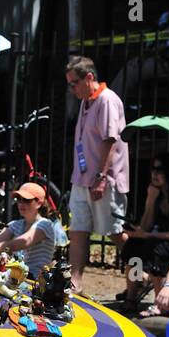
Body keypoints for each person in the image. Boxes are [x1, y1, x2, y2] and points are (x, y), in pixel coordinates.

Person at [66, 56, 129, 293]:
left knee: (114, 233)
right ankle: (75, 283)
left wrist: (101, 177)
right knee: (78, 230)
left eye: (74, 83)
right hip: (81, 178)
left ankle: (144, 272)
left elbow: (110, 139)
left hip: (103, 180)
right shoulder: (86, 101)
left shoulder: (108, 100)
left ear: (89, 77)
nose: (72, 89)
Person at [118, 152, 169, 311]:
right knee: (133, 248)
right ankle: (132, 295)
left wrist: (148, 235)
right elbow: (146, 226)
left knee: (155, 250)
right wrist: (150, 200)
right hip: (159, 237)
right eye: (152, 169)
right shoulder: (158, 193)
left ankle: (160, 304)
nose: (154, 174)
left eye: (160, 170)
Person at [0, 182, 59, 277]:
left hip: (35, 280)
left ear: (39, 203)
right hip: (14, 277)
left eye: (26, 200)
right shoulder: (14, 224)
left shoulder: (45, 224)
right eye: (19, 199)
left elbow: (25, 241)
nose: (21, 203)